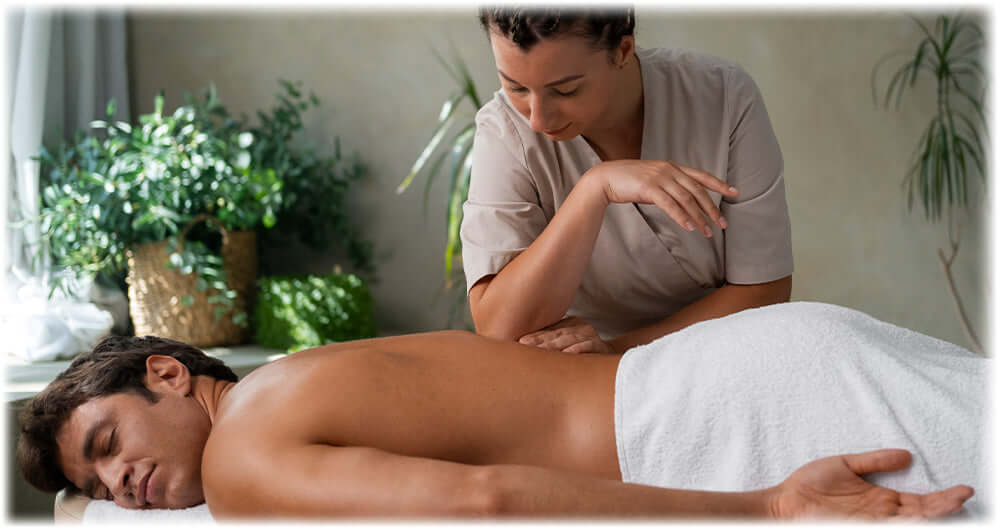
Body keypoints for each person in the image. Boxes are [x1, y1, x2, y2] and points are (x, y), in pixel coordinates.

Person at [17, 302, 983, 520]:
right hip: (753, 365)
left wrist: (763, 506)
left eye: (104, 442)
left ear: (171, 373)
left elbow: (485, 502)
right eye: (92, 485)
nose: (117, 484)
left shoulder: (241, 468)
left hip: (719, 432)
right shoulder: (295, 376)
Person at [461, 6, 793, 354]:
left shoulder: (722, 94)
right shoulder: (504, 131)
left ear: (622, 50)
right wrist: (593, 190)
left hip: (720, 348)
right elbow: (497, 327)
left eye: (565, 90)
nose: (538, 120)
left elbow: (764, 291)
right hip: (575, 369)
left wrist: (617, 352)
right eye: (515, 87)